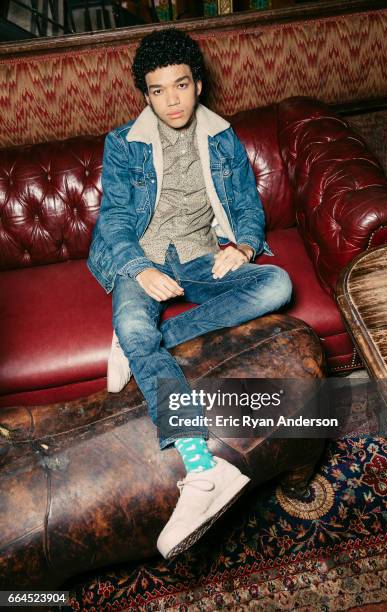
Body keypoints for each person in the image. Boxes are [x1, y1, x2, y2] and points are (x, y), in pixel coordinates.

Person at [87, 28, 292, 559]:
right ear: (146, 95)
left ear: (198, 85)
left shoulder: (223, 138)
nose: (172, 100)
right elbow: (112, 221)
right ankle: (203, 470)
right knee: (134, 323)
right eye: (159, 90)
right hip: (143, 260)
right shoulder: (122, 143)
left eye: (181, 85)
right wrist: (137, 268)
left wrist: (244, 248)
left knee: (277, 283)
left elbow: (248, 207)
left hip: (202, 256)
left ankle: (150, 340)